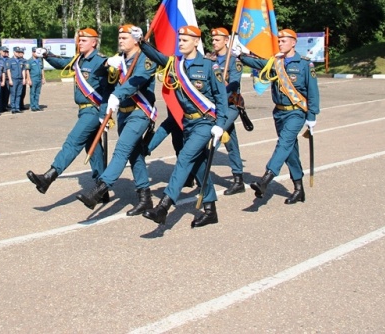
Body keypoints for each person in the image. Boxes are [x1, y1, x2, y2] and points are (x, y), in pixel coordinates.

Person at [136, 25, 228, 228]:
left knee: (185, 158)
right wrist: (141, 41)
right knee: (198, 165)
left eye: (185, 40)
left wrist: (220, 125)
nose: (180, 43)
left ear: (196, 42)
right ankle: (211, 210)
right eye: (179, 40)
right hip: (188, 123)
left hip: (206, 122)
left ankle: (164, 207)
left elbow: (222, 98)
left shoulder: (209, 66)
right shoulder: (175, 64)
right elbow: (157, 55)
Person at [75, 24, 157, 216]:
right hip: (123, 114)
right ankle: (145, 197)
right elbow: (101, 78)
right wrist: (107, 66)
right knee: (134, 155)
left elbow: (137, 80)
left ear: (136, 39)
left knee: (121, 149)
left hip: (140, 112)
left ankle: (99, 189)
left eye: (124, 37)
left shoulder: (146, 58)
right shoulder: (119, 58)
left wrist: (118, 94)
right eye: (119, 38)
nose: (120, 40)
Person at [235, 29, 320, 205]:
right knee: (290, 150)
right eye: (279, 40)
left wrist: (312, 115)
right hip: (279, 112)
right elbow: (258, 63)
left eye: (284, 40)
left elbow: (313, 92)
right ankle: (299, 189)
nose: (280, 43)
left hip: (296, 111)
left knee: (283, 144)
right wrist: (241, 56)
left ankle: (266, 179)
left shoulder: (305, 64)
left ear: (293, 42)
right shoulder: (276, 62)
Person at [26, 29, 112, 198]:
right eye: (79, 40)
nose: (80, 42)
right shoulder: (78, 59)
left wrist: (104, 114)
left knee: (73, 141)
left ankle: (49, 176)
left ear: (94, 42)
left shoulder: (101, 62)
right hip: (83, 111)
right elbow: (61, 63)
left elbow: (108, 89)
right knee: (93, 151)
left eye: (84, 40)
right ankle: (102, 189)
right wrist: (46, 54)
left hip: (93, 111)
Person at [210, 27, 246, 195]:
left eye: (217, 40)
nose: (214, 42)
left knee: (213, 138)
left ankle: (198, 171)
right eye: (213, 39)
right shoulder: (210, 59)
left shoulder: (233, 61)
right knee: (231, 142)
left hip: (230, 106)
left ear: (226, 41)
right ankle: (238, 179)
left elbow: (234, 84)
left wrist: (221, 89)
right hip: (215, 106)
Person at [25, 47, 45, 111]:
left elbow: (42, 69)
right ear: (32, 52)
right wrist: (29, 79)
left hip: (39, 79)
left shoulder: (39, 60)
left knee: (37, 93)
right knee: (32, 93)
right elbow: (27, 71)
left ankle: (36, 105)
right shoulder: (29, 61)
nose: (37, 54)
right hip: (33, 78)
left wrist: (43, 78)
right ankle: (32, 106)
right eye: (35, 52)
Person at [7, 47, 26, 114]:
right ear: (14, 52)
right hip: (14, 79)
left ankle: (17, 108)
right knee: (13, 94)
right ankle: (13, 108)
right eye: (17, 52)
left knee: (19, 94)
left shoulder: (21, 60)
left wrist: (24, 79)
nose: (18, 53)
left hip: (20, 79)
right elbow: (8, 70)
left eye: (19, 52)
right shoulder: (10, 60)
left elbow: (23, 70)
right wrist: (10, 80)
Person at [0, 46, 10, 111]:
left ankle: (5, 106)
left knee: (6, 93)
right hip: (0, 79)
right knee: (0, 93)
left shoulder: (9, 59)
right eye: (4, 51)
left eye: (7, 51)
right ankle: (0, 107)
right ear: (0, 51)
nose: (6, 53)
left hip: (7, 79)